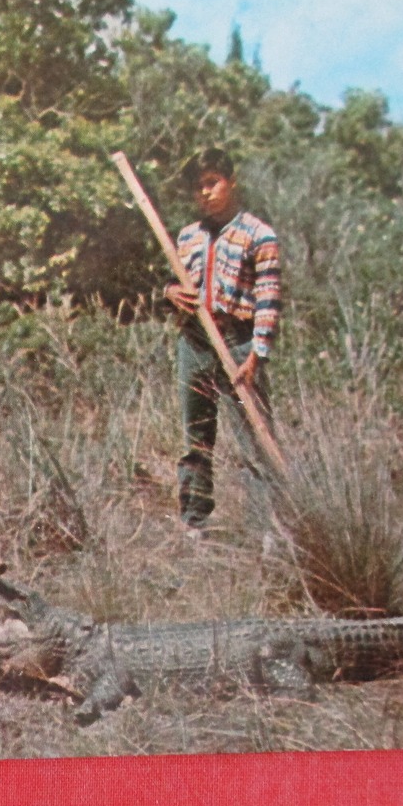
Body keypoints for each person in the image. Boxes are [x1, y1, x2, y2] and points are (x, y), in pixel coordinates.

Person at [163, 148, 281, 540]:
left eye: (213, 183)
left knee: (253, 439)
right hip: (194, 341)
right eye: (199, 187)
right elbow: (177, 285)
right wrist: (170, 292)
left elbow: (268, 298)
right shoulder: (188, 236)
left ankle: (265, 531)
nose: (206, 193)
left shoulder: (259, 235)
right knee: (196, 436)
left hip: (238, 343)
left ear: (231, 182)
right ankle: (194, 523)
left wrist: (257, 353)